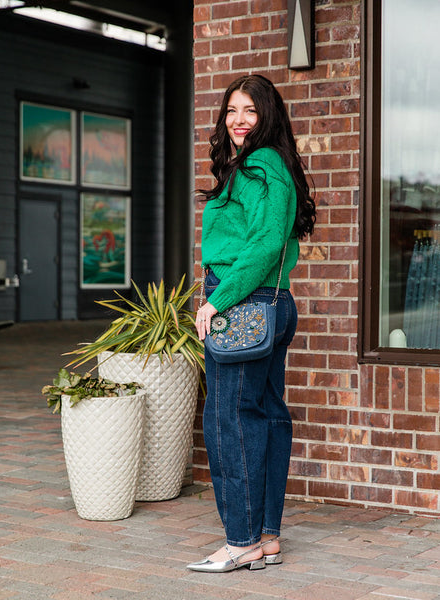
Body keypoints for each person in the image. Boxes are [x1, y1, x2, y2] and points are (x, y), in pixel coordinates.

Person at [188, 74, 316, 573]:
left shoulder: (262, 165)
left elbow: (263, 245)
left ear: (268, 116)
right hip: (269, 303)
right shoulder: (265, 166)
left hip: (245, 302)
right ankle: (263, 537)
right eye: (231, 110)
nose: (238, 120)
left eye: (250, 111)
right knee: (263, 418)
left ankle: (239, 540)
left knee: (228, 421)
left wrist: (217, 300)